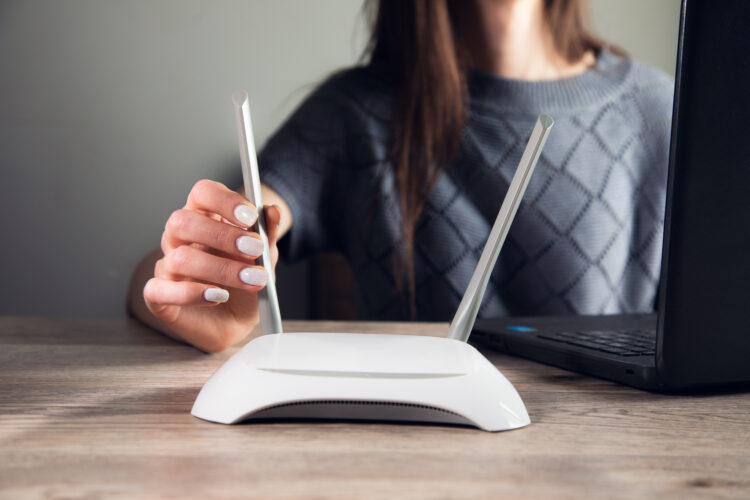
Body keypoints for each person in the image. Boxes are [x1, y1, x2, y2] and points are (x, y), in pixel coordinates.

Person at [128, 0, 674, 352]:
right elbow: (162, 271)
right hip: (411, 461)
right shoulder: (352, 115)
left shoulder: (665, 112)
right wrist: (194, 279)